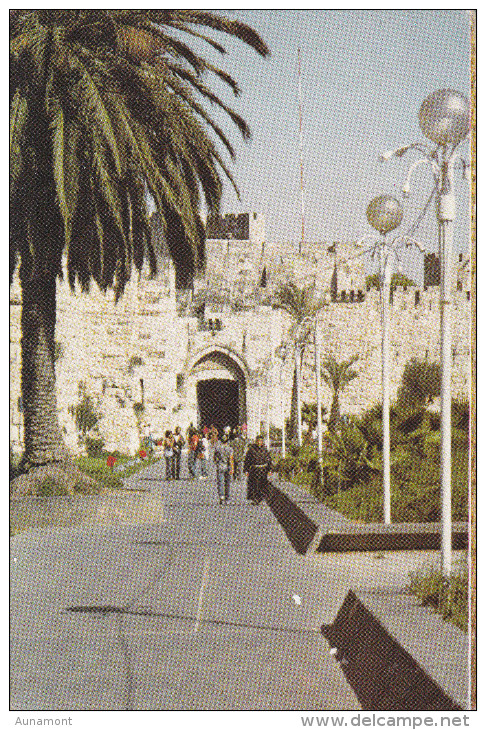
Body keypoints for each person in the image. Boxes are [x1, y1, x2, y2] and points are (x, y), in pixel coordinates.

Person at [243, 435, 272, 505]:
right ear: (256, 441)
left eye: (261, 441)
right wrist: (246, 470)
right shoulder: (251, 450)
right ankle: (255, 499)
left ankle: (260, 498)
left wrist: (270, 469)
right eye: (258, 441)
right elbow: (247, 460)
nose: (259, 442)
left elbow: (269, 460)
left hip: (263, 470)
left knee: (262, 485)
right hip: (254, 470)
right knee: (254, 485)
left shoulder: (265, 450)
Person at [213, 433, 234, 505]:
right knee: (227, 483)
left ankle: (221, 497)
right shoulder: (230, 448)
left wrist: (216, 462)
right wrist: (232, 468)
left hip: (220, 466)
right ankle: (227, 498)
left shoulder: (218, 448)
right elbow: (231, 459)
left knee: (220, 482)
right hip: (227, 466)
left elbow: (214, 457)